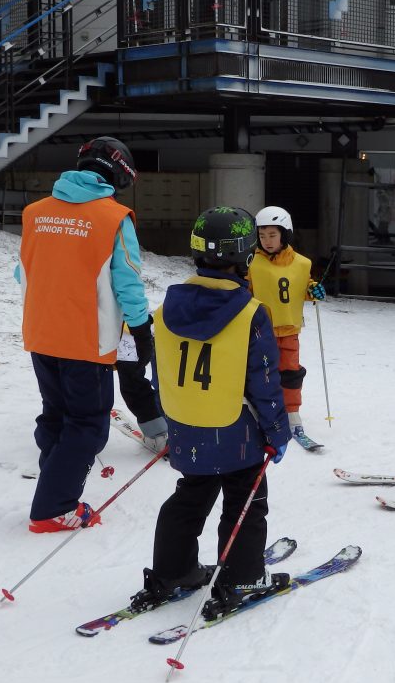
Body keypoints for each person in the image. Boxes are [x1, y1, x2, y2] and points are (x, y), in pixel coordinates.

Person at [131, 206, 292, 618]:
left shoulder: (166, 311)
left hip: (186, 421)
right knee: (245, 500)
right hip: (235, 426)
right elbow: (265, 379)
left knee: (192, 493)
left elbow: (159, 370)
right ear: (245, 255)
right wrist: (277, 431)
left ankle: (173, 571)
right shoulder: (250, 313)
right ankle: (241, 578)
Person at [18, 136, 153, 533]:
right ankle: (53, 507)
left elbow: (22, 271)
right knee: (88, 424)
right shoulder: (113, 217)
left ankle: (55, 484)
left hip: (41, 332)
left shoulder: (35, 213)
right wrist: (141, 329)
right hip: (87, 340)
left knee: (55, 415)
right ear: (118, 175)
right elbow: (128, 282)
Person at [247, 206, 326, 447]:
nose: (267, 241)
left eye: (272, 235)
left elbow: (299, 287)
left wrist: (312, 290)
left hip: (290, 329)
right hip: (262, 331)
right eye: (262, 235)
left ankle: (292, 414)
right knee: (261, 372)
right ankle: (258, 410)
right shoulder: (252, 264)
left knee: (291, 373)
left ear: (285, 234)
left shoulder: (302, 264)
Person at [115, 324, 167, 453]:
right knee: (133, 382)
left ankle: (157, 435)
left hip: (129, 329)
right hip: (131, 328)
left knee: (133, 383)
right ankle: (158, 434)